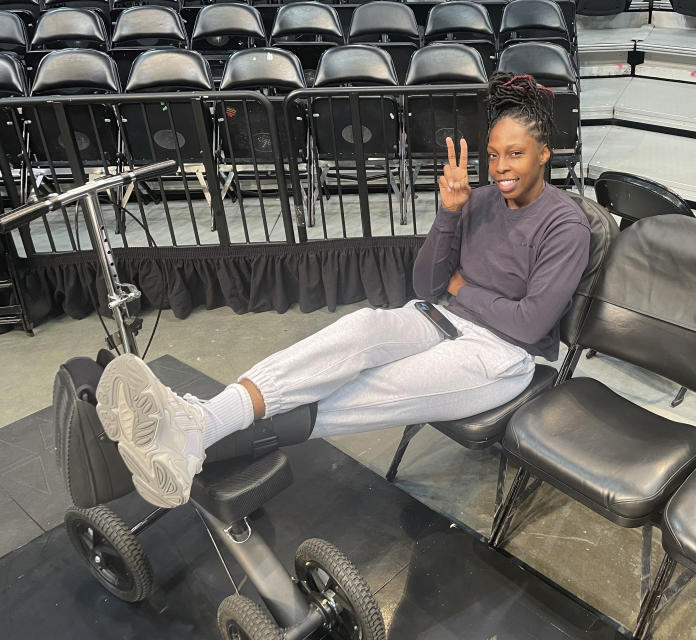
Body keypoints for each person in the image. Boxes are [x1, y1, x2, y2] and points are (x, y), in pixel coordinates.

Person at [95, 72, 591, 509]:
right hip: (438, 316)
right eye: (494, 154)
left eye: (516, 154)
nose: (501, 166)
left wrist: (463, 287)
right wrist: (451, 212)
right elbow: (426, 284)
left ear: (544, 153)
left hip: (505, 354)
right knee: (356, 331)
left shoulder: (566, 224)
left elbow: (528, 323)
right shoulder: (476, 200)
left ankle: (197, 434)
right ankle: (198, 423)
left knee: (370, 388)